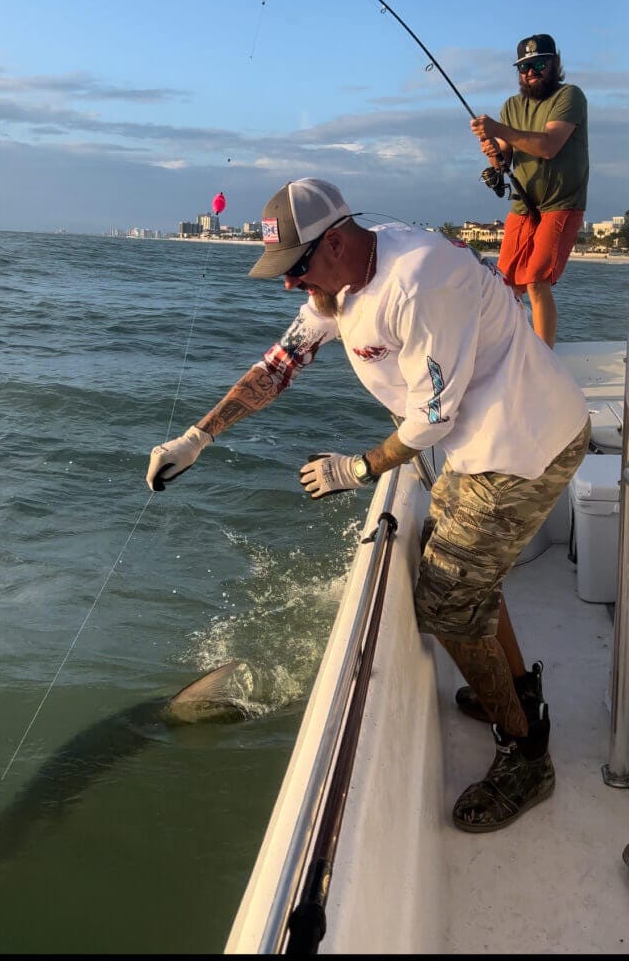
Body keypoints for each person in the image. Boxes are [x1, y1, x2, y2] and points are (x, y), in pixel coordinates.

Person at [146, 177, 590, 833]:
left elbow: (430, 419)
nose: (290, 286)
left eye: (294, 269)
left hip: (528, 442)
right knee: (463, 578)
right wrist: (197, 437)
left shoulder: (418, 281)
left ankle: (527, 754)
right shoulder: (336, 284)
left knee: (446, 599)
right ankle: (519, 694)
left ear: (334, 243)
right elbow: (280, 364)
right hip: (482, 444)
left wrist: (353, 469)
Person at [470, 33, 588, 348]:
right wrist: (493, 151)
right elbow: (506, 154)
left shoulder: (570, 97)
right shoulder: (512, 105)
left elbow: (548, 146)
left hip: (561, 203)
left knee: (536, 280)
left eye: (539, 64)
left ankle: (542, 359)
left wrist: (497, 129)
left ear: (554, 63)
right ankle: (507, 349)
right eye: (524, 67)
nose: (531, 72)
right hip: (523, 205)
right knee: (504, 284)